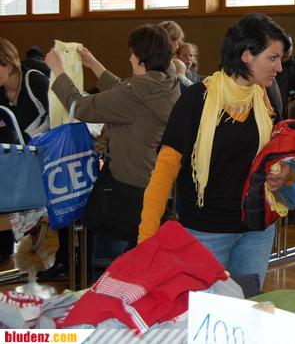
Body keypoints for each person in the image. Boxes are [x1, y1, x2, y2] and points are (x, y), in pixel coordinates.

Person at [138, 13, 293, 288]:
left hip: (257, 230)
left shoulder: (267, 96)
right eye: (273, 58)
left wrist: (287, 175)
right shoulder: (195, 100)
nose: (279, 68)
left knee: (247, 306)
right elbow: (164, 172)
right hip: (205, 232)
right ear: (246, 55)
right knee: (205, 311)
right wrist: (145, 242)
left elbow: (279, 156)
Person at [44, 24, 180, 279]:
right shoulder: (167, 84)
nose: (129, 58)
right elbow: (124, 89)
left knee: (108, 270)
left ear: (140, 57)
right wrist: (94, 64)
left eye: (132, 53)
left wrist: (58, 71)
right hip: (154, 186)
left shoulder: (135, 94)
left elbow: (80, 106)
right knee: (139, 264)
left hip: (125, 191)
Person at [0, 38, 50, 262]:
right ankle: (4, 247)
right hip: (17, 162)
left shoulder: (35, 81)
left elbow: (57, 119)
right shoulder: (1, 94)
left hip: (45, 158)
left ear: (8, 63)